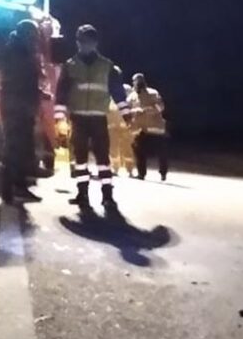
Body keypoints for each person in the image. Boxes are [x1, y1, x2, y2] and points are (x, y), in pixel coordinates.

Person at [55, 25, 130, 208]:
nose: (85, 45)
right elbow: (62, 93)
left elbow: (117, 91)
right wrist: (59, 117)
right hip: (78, 118)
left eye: (88, 41)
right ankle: (82, 194)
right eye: (82, 41)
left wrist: (127, 114)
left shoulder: (107, 66)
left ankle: (107, 196)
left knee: (102, 159)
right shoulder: (70, 65)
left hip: (97, 118)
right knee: (80, 159)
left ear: (95, 43)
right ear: (77, 43)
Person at [0, 20, 43, 204]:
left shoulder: (17, 50)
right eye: (33, 36)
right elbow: (21, 81)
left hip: (17, 105)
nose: (35, 41)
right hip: (17, 107)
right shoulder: (18, 53)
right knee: (15, 148)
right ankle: (11, 190)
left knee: (21, 148)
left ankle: (18, 187)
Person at [128, 73, 169, 181]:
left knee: (162, 153)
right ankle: (141, 174)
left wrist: (146, 110)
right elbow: (127, 110)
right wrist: (134, 111)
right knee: (138, 150)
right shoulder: (132, 96)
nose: (136, 84)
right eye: (135, 81)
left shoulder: (153, 93)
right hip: (141, 129)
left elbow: (160, 106)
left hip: (156, 129)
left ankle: (163, 173)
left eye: (138, 81)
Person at [107, 84, 135, 175]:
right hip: (114, 128)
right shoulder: (112, 100)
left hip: (126, 129)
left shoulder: (131, 101)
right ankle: (115, 169)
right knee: (113, 149)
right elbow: (108, 113)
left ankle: (129, 169)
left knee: (128, 149)